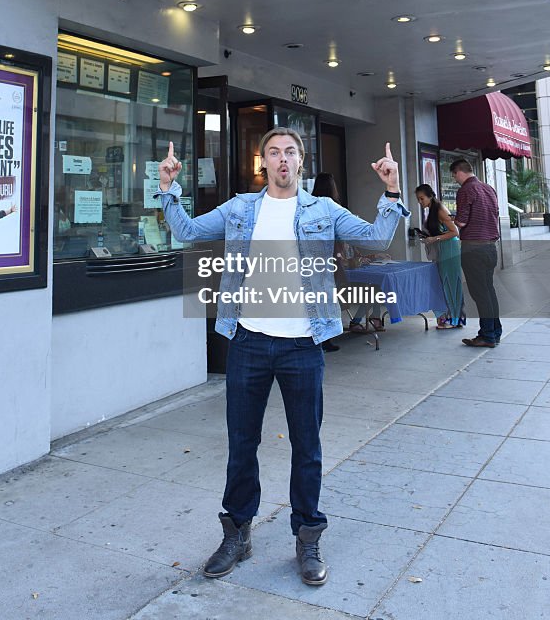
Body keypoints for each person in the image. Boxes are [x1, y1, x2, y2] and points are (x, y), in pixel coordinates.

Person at [155, 128, 408, 586]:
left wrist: (391, 189)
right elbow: (188, 232)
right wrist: (169, 188)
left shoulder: (322, 209)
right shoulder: (240, 208)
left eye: (290, 152)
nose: (283, 159)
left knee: (307, 447)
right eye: (274, 153)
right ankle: (237, 535)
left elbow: (374, 239)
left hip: (303, 345)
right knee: (241, 444)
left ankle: (307, 537)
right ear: (264, 162)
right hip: (248, 342)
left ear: (301, 161)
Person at [449, 159, 501, 348]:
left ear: (458, 172)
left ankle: (486, 335)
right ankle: (495, 331)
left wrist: (451, 217)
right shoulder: (488, 188)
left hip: (473, 248)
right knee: (489, 291)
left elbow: (462, 222)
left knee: (480, 293)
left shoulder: (465, 190)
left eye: (454, 175)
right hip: (490, 247)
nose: (455, 179)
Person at [414, 184, 464, 329]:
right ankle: (449, 318)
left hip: (449, 249)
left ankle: (453, 319)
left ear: (430, 196)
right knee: (443, 284)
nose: (420, 202)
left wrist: (433, 239)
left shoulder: (440, 209)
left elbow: (455, 232)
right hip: (444, 249)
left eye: (422, 198)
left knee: (450, 284)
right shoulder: (433, 210)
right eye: (418, 199)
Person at [310, 172, 345, 352]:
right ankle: (326, 338)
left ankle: (318, 337)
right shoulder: (333, 206)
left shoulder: (310, 204)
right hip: (330, 256)